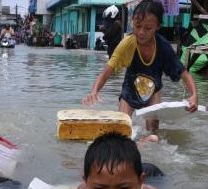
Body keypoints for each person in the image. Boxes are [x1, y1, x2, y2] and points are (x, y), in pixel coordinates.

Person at [83, 0, 198, 132]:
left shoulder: (163, 46)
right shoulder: (127, 44)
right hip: (129, 92)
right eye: (137, 26)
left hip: (153, 91)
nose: (142, 32)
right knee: (122, 128)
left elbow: (184, 74)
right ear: (132, 21)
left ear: (158, 27)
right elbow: (105, 73)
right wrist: (94, 91)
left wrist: (194, 95)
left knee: (153, 130)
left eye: (148, 28)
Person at [60, 132, 178, 189]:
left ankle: (146, 141)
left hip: (152, 176)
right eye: (100, 188)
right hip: (125, 174)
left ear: (139, 183)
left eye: (123, 188)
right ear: (86, 183)